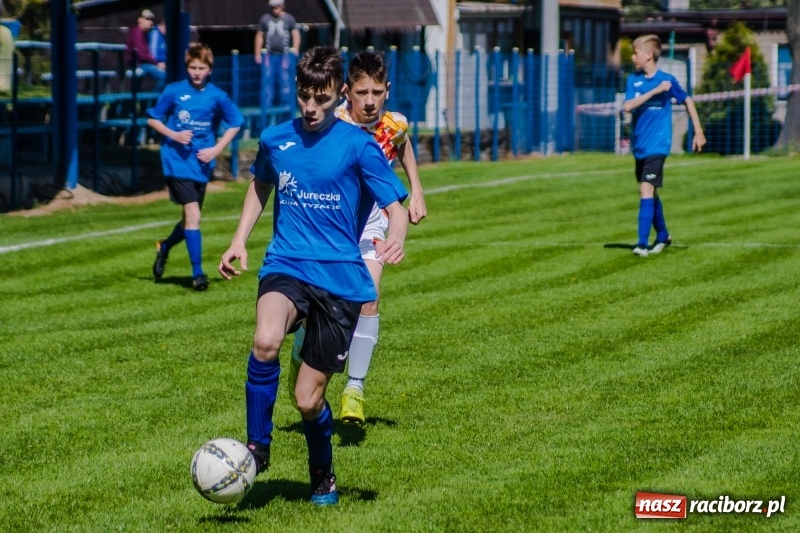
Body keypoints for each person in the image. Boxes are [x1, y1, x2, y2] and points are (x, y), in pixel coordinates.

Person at [218, 46, 409, 506]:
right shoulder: (275, 139)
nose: (310, 107)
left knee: (307, 400)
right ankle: (256, 447)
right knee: (265, 341)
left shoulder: (359, 145)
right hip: (286, 263)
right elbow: (260, 184)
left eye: (321, 99)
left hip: (339, 279)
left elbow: (394, 207)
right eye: (305, 96)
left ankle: (322, 472)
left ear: (337, 94)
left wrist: (396, 237)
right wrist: (239, 238)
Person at [290, 50, 426, 426]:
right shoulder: (334, 123)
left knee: (368, 298)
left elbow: (403, 144)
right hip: (328, 228)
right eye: (362, 92)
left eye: (377, 92)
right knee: (313, 312)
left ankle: (354, 389)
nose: (369, 101)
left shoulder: (393, 123)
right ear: (347, 91)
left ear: (387, 90)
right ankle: (300, 349)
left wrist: (416, 188)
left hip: (370, 226)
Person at [147, 43, 244, 290]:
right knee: (194, 216)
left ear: (210, 69)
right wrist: (173, 134)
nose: (197, 72)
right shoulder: (174, 91)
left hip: (201, 164)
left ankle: (165, 246)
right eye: (193, 67)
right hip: (176, 161)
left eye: (202, 67)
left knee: (189, 220)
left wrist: (216, 149)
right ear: (186, 67)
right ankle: (198, 274)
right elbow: (153, 119)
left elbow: (235, 123)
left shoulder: (217, 96)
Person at [623, 34, 706, 257]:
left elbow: (687, 99)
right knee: (651, 193)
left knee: (645, 189)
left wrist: (698, 131)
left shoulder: (668, 80)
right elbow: (628, 106)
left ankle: (642, 244)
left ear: (648, 55)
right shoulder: (634, 80)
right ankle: (663, 235)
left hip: (658, 146)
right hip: (640, 146)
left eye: (636, 52)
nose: (632, 57)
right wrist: (655, 91)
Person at [254, 0, 301, 110]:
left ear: (283, 6)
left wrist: (296, 48)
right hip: (269, 55)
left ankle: (286, 105)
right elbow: (259, 36)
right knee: (267, 80)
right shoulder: (265, 19)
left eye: (278, 6)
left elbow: (295, 33)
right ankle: (267, 105)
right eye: (273, 6)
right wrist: (257, 53)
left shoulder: (289, 18)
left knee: (285, 80)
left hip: (285, 55)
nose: (276, 8)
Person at [125, 9, 166, 90]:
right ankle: (151, 101)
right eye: (147, 19)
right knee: (165, 76)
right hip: (139, 65)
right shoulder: (138, 33)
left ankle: (150, 100)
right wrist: (157, 63)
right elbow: (142, 54)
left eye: (151, 20)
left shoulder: (144, 33)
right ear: (140, 20)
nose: (151, 22)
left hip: (143, 64)